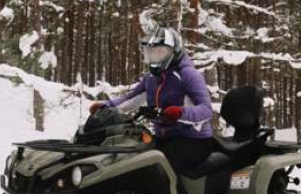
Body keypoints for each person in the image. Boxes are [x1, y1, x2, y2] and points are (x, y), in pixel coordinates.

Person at [89, 26, 214, 176]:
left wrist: (180, 112)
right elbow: (130, 99)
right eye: (152, 52)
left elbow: (206, 110)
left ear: (173, 52)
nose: (155, 57)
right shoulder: (151, 78)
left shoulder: (188, 75)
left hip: (193, 140)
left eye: (160, 52)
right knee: (135, 161)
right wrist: (106, 106)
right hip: (164, 137)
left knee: (160, 170)